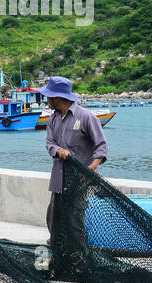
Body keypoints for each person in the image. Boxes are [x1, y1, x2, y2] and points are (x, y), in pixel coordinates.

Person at [42, 76, 108, 235]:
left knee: (74, 220)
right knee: (53, 218)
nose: (47, 99)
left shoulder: (86, 117)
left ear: (58, 98)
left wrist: (92, 167)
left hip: (80, 180)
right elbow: (50, 143)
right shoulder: (53, 118)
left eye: (49, 96)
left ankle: (77, 256)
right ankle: (58, 253)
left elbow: (102, 146)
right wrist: (58, 150)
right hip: (59, 178)